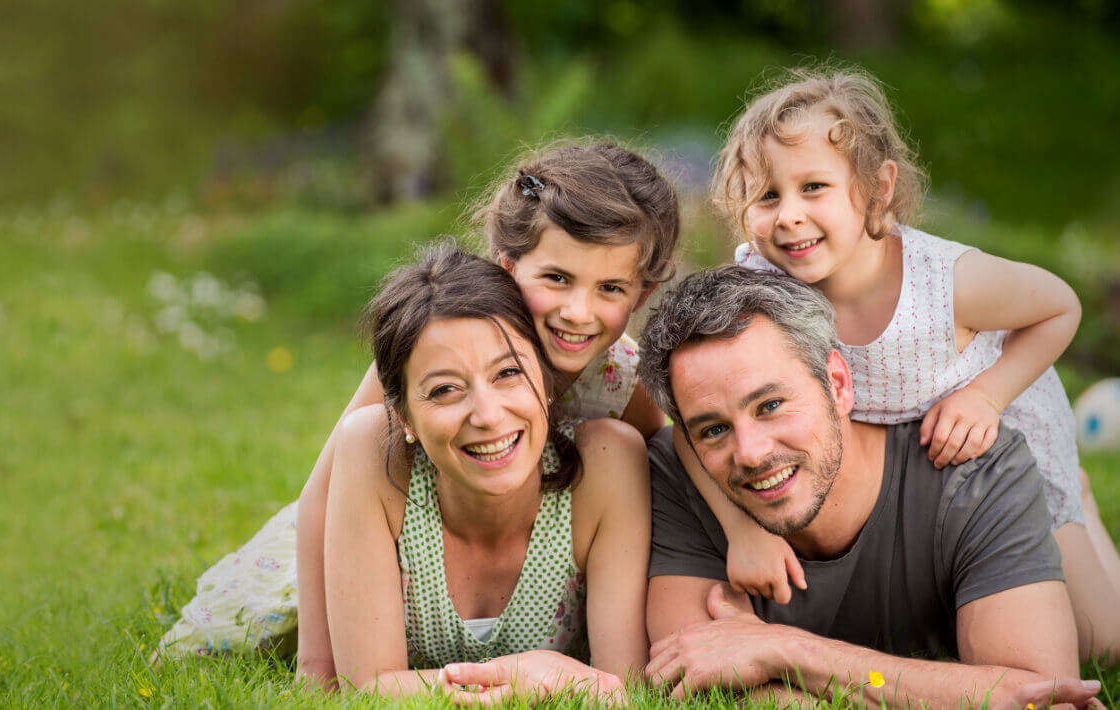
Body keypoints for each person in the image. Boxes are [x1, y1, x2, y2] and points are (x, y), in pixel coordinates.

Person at [440, 266, 1101, 708]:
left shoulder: (974, 474)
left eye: (771, 405)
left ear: (839, 385)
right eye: (713, 429)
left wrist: (790, 653)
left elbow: (1036, 695)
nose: (751, 454)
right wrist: (935, 691)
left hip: (1021, 505)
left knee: (1104, 634)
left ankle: (1084, 511)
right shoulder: (673, 474)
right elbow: (694, 687)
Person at [155, 139, 681, 685]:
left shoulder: (624, 378)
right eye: (557, 279)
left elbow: (661, 481)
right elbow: (324, 492)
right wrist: (319, 668)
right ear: (507, 267)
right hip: (371, 523)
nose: (578, 311)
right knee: (267, 633)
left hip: (532, 535)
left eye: (610, 288)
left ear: (640, 296)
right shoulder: (441, 336)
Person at [692, 65, 1120, 660]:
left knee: (1101, 639)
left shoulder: (946, 284)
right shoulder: (760, 283)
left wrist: (988, 395)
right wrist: (743, 528)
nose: (788, 214)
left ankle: (1081, 506)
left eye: (813, 187)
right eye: (767, 196)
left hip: (990, 432)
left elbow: (1058, 307)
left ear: (876, 188)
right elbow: (690, 410)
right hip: (895, 467)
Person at [323, 241, 651, 698]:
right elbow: (366, 689)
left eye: (508, 373)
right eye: (444, 391)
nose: (488, 415)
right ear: (403, 418)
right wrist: (527, 676)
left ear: (546, 379)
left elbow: (624, 689)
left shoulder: (606, 465)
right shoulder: (372, 450)